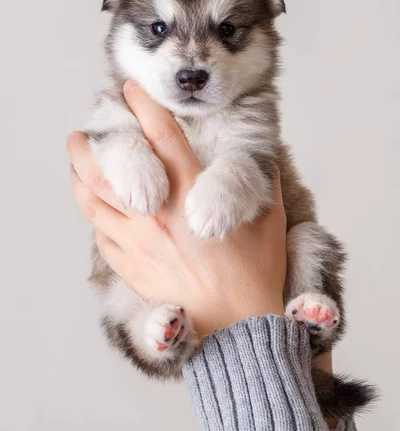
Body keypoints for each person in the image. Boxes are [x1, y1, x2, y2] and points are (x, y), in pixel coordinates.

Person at [67, 81, 357, 431]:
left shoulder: (248, 105)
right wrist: (125, 150)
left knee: (309, 241)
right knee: (119, 298)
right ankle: (154, 334)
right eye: (159, 30)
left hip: (277, 278)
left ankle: (309, 333)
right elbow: (104, 145)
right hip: (155, 296)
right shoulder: (119, 103)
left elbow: (256, 173)